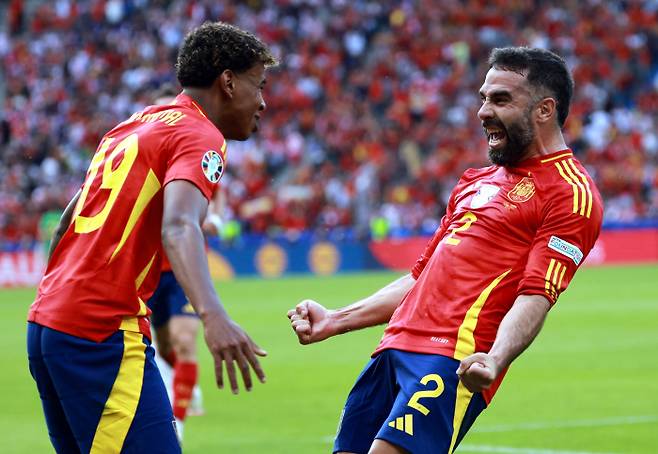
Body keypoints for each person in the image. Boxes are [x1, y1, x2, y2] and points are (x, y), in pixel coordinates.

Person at [288, 47, 603, 454]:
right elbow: (420, 278)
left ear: (544, 110)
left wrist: (496, 357)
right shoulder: (474, 181)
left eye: (501, 99)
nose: (483, 111)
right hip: (391, 351)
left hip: (451, 361)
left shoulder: (569, 193)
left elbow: (536, 294)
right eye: (484, 98)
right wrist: (336, 319)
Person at [27, 22, 277, 454]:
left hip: (48, 324)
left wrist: (61, 299)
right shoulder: (201, 135)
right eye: (260, 84)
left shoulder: (136, 123)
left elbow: (68, 220)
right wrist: (214, 317)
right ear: (229, 81)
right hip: (100, 332)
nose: (263, 102)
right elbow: (180, 225)